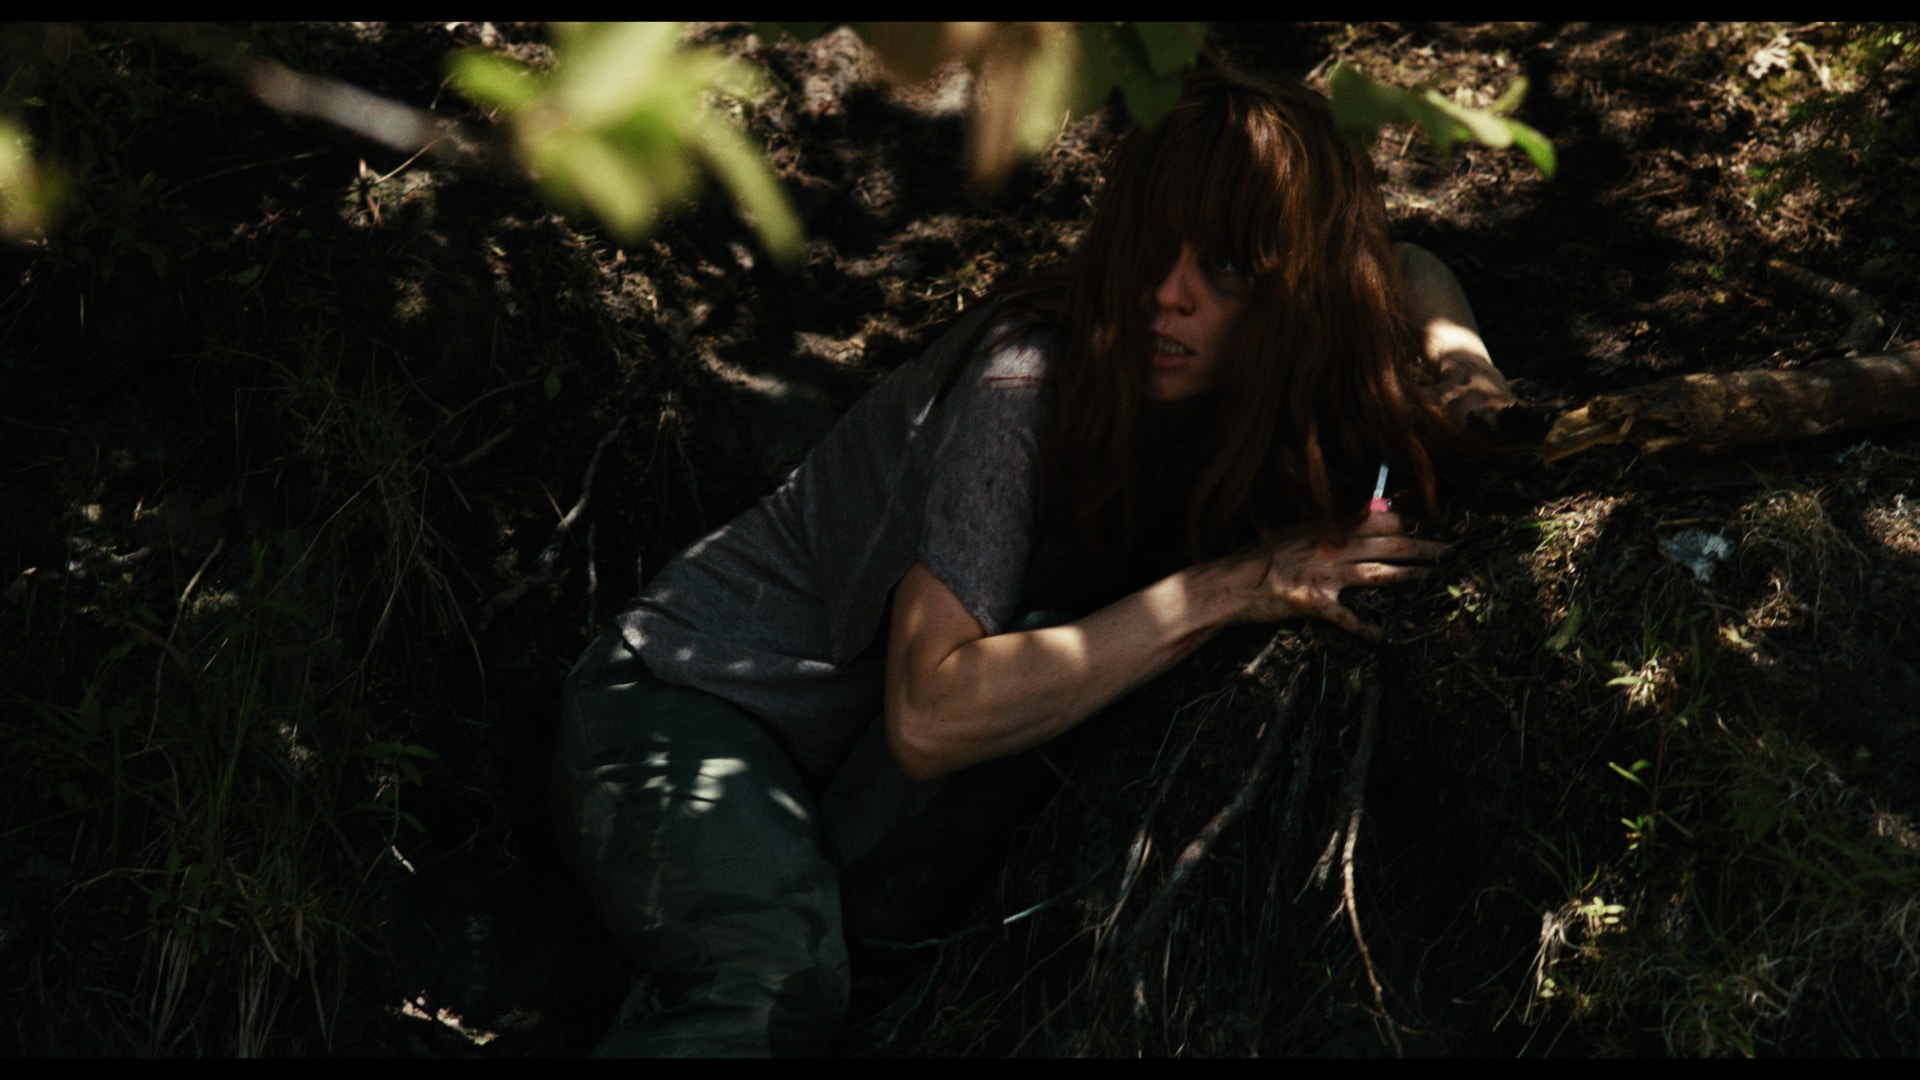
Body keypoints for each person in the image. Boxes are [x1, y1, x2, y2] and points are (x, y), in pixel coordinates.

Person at [551, 66, 1516, 1057]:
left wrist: (1468, 376)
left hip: (846, 771)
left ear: (1300, 293)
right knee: (773, 979)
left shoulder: (1289, 344)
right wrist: (1234, 588)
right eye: (1152, 249)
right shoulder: (1025, 379)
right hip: (689, 703)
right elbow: (930, 716)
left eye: (1225, 268)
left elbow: (1404, 265)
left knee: (864, 990)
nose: (1168, 293)